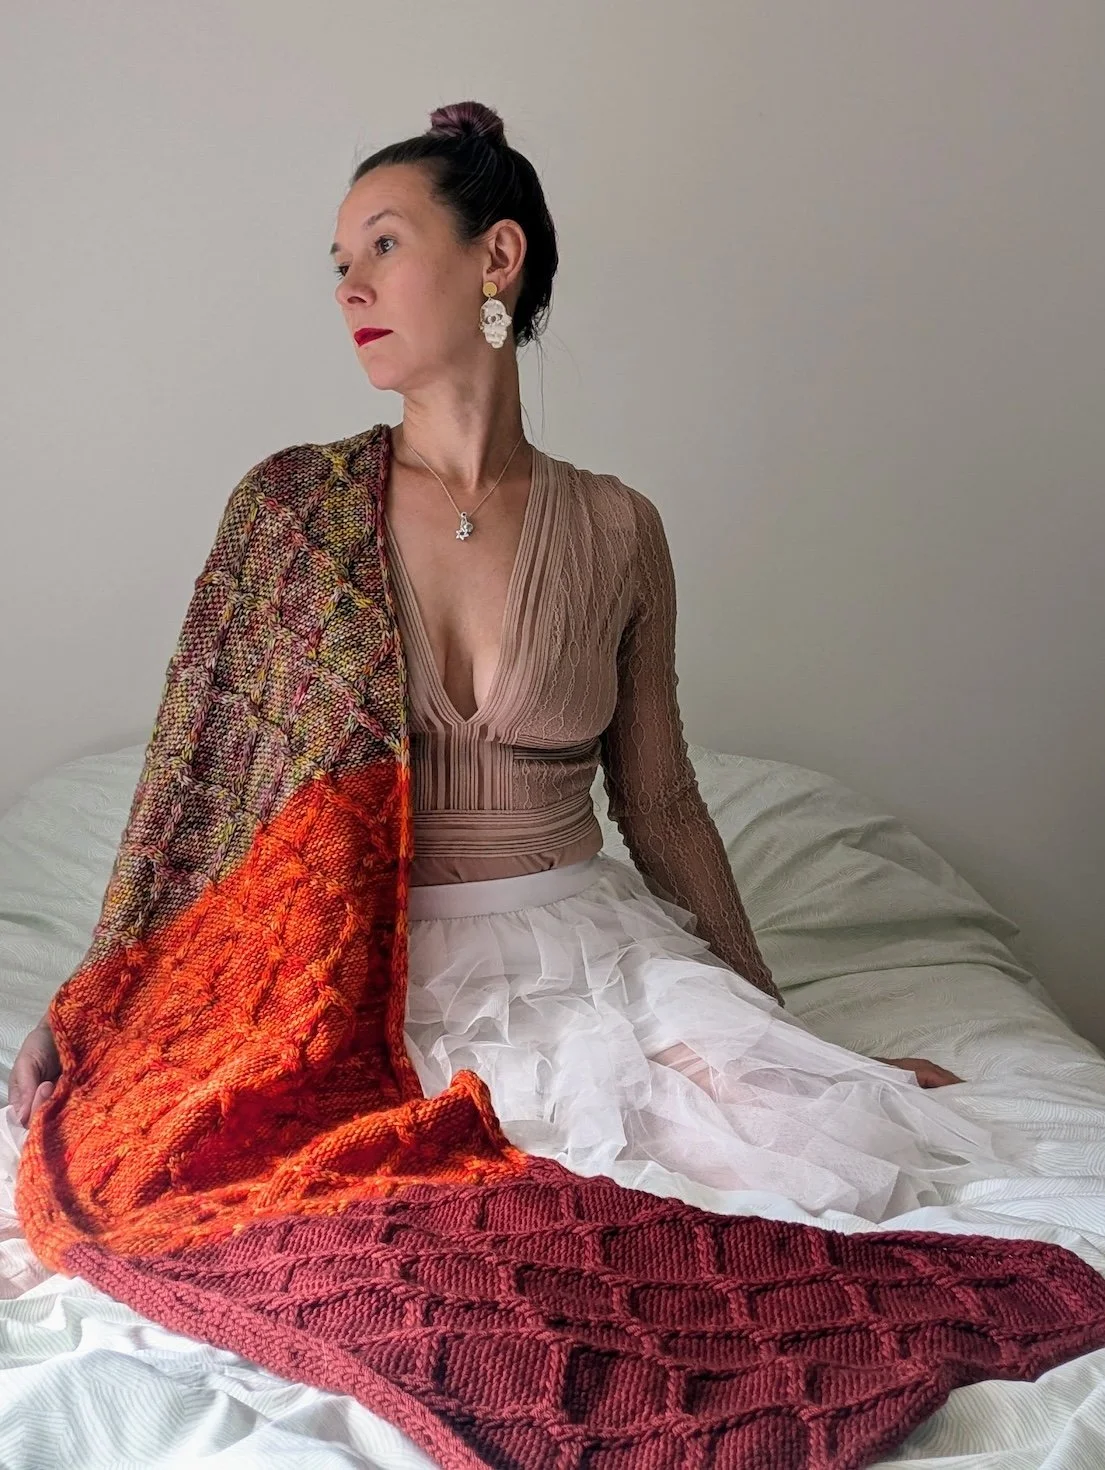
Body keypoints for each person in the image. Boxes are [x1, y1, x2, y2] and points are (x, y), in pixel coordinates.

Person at [8, 100, 1007, 1222]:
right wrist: (101, 991)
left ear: (497, 256)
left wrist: (776, 1028)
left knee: (799, 1157)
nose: (349, 287)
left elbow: (662, 801)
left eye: (383, 244)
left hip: (584, 948)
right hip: (362, 969)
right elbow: (197, 791)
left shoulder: (620, 527)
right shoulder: (293, 511)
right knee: (311, 1194)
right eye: (339, 262)